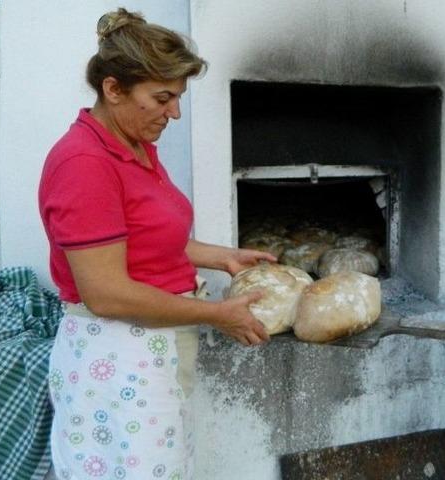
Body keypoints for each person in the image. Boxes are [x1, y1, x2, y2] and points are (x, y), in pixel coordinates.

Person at [38, 9, 274, 479]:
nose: (175, 113)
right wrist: (215, 314)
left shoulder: (134, 146)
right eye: (163, 98)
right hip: (117, 354)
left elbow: (147, 238)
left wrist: (221, 256)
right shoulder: (85, 164)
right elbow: (106, 292)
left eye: (178, 98)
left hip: (153, 349)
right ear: (113, 88)